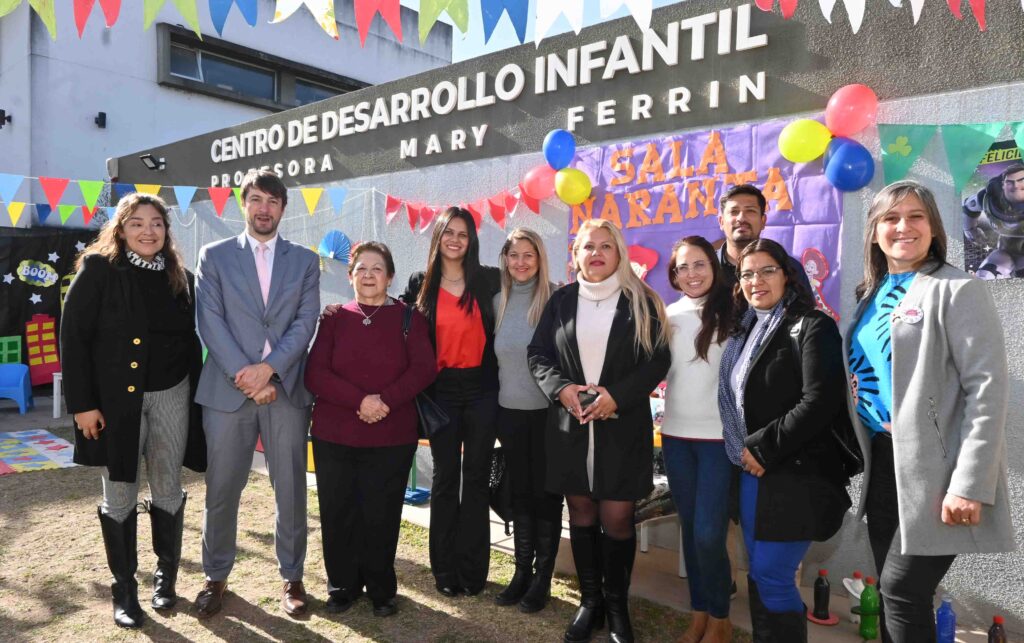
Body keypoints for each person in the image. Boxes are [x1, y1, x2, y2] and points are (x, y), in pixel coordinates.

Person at [847, 181, 1015, 643]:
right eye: (891, 218)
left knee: (902, 589)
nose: (903, 227)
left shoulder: (957, 288)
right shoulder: (872, 293)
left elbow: (987, 389)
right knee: (893, 594)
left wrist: (969, 484)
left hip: (939, 472)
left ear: (935, 228)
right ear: (875, 232)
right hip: (885, 465)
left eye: (915, 216)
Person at [60, 192, 206, 628]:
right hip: (116, 403)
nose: (148, 231)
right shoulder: (99, 270)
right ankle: (124, 589)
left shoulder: (181, 277)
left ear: (167, 231)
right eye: (137, 223)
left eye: (156, 223)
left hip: (172, 394)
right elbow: (73, 338)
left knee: (167, 486)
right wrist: (83, 406)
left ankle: (166, 578)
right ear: (121, 229)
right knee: (120, 491)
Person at [528, 219, 671, 643]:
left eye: (606, 246)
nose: (597, 253)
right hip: (570, 426)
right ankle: (590, 603)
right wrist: (562, 389)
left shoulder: (642, 300)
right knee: (581, 513)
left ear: (619, 252)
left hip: (621, 427)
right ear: (576, 255)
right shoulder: (560, 301)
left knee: (618, 517)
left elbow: (658, 359)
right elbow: (538, 355)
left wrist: (618, 396)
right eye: (588, 246)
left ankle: (617, 606)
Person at [192, 169, 320, 618]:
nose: (264, 209)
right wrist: (245, 376)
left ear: (283, 208)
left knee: (291, 489)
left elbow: (305, 322)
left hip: (286, 390)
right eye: (257, 200)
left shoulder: (304, 260)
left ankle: (293, 576)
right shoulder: (214, 256)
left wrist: (269, 370)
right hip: (227, 393)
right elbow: (209, 321)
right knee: (221, 488)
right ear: (243, 204)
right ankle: (215, 576)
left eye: (273, 201)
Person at [717, 238, 851, 642]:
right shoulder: (742, 331)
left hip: (794, 471)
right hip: (749, 470)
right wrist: (748, 452)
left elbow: (820, 400)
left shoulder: (813, 325)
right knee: (760, 574)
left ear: (788, 276)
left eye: (767, 271)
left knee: (772, 574)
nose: (756, 280)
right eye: (747, 274)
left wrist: (763, 448)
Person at [305, 242, 436, 618]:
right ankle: (342, 586)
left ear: (390, 276)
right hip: (335, 434)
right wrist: (360, 401)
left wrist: (385, 401)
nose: (368, 275)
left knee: (382, 514)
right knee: (338, 512)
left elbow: (424, 369)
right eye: (361, 268)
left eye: (377, 269)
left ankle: (381, 589)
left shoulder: (409, 318)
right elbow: (315, 373)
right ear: (350, 276)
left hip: (391, 435)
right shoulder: (333, 318)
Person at [400, 207, 502, 597]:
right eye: (449, 232)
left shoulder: (489, 279)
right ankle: (443, 570)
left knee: (476, 477)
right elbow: (396, 321)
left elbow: (528, 291)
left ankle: (473, 572)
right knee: (445, 478)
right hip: (440, 393)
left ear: (471, 239)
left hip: (482, 389)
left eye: (463, 233)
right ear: (438, 236)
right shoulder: (420, 282)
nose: (455, 240)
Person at [660, 236, 735, 643]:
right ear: (674, 275)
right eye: (683, 267)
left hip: (718, 442)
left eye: (699, 264)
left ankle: (721, 616)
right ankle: (699, 613)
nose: (691, 274)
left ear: (714, 266)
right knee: (689, 530)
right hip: (675, 438)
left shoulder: (735, 311)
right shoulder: (667, 314)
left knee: (709, 533)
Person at [491, 227, 563, 613]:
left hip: (549, 415)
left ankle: (542, 578)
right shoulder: (497, 302)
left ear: (539, 259)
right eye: (514, 255)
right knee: (519, 494)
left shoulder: (556, 298)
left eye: (528, 255)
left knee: (546, 496)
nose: (521, 262)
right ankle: (521, 572)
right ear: (505, 259)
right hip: (510, 414)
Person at [716, 184, 810, 293]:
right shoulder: (707, 267)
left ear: (763, 221)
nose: (741, 218)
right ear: (721, 222)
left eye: (750, 211)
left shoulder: (789, 268)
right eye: (734, 212)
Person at [962, 162, 1024, 279]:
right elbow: (968, 207)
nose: (1016, 186)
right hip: (1008, 254)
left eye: (1022, 180)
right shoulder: (988, 200)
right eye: (1010, 182)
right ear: (1003, 185)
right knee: (986, 275)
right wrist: (969, 229)